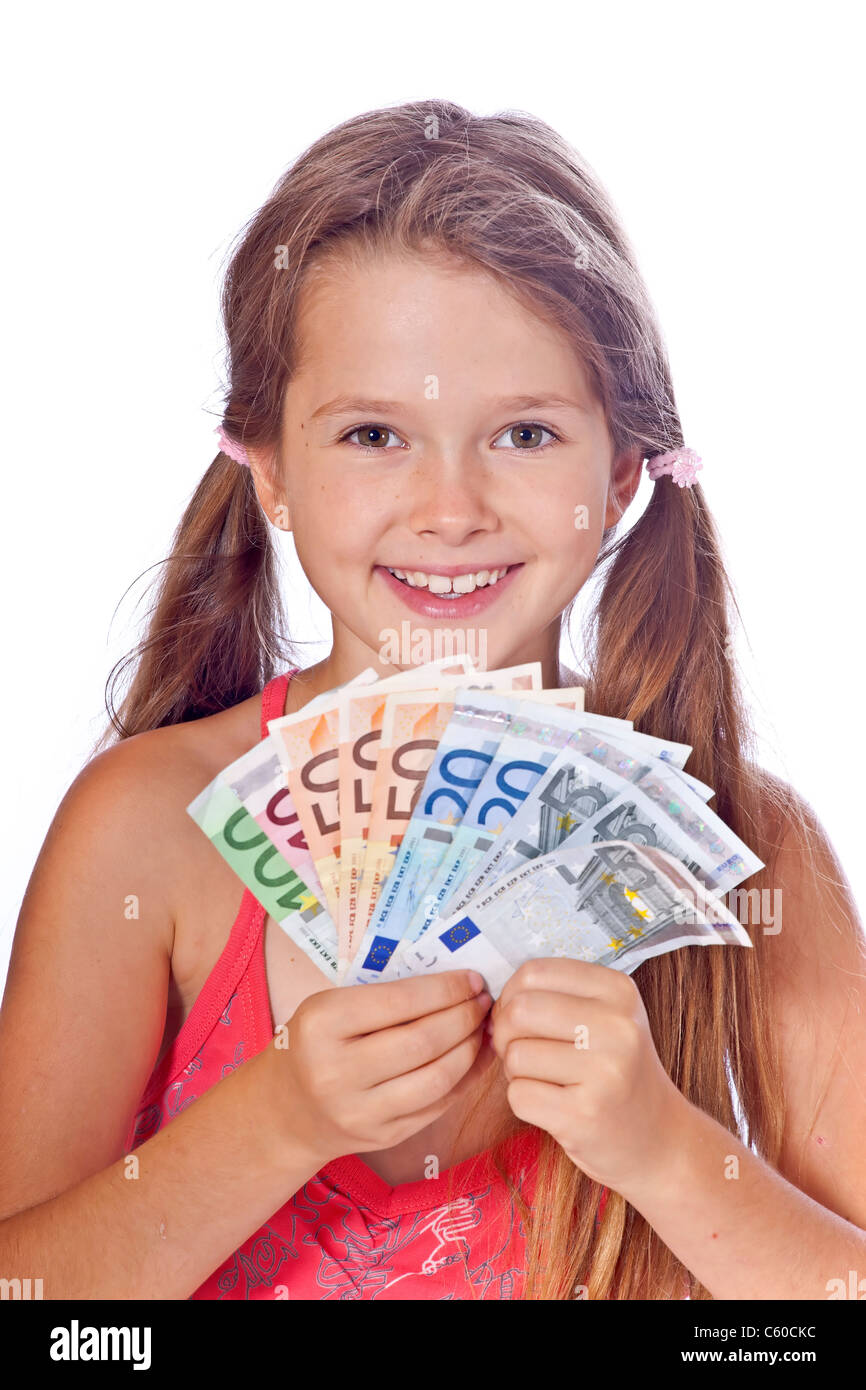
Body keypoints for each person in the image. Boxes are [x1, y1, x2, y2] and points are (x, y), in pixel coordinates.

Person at [1, 98, 864, 1302]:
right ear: (270, 476)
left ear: (619, 474)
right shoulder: (146, 831)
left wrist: (665, 1152)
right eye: (371, 434)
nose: (449, 509)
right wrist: (277, 1119)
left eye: (521, 431)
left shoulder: (743, 852)